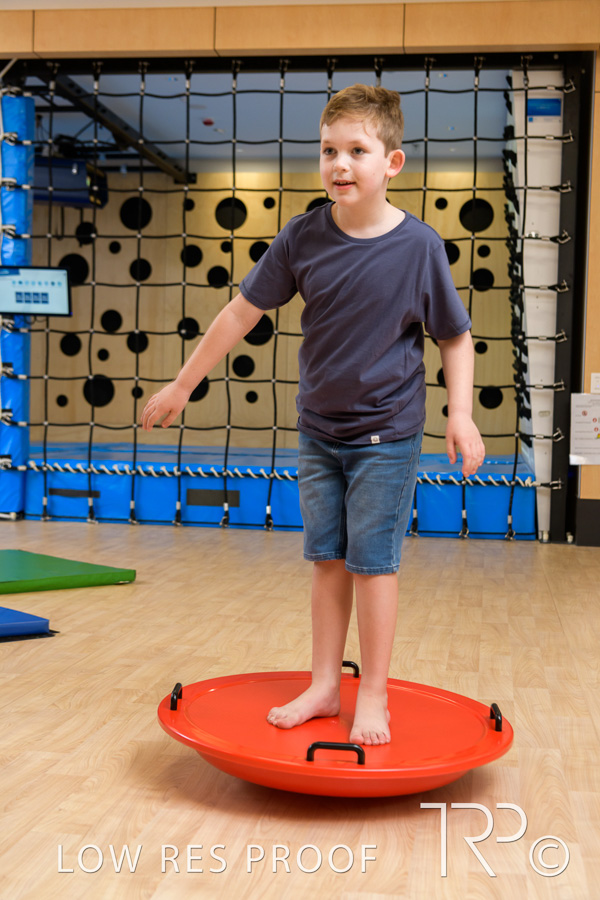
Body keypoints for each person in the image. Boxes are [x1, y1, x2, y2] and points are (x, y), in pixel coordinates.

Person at [141, 84, 485, 746]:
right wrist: (184, 384)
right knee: (328, 559)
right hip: (319, 432)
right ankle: (325, 685)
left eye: (357, 150)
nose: (339, 164)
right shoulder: (302, 236)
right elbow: (240, 312)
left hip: (387, 434)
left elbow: (454, 336)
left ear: (392, 162)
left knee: (372, 564)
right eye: (329, 150)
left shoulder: (419, 247)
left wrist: (461, 414)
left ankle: (373, 693)